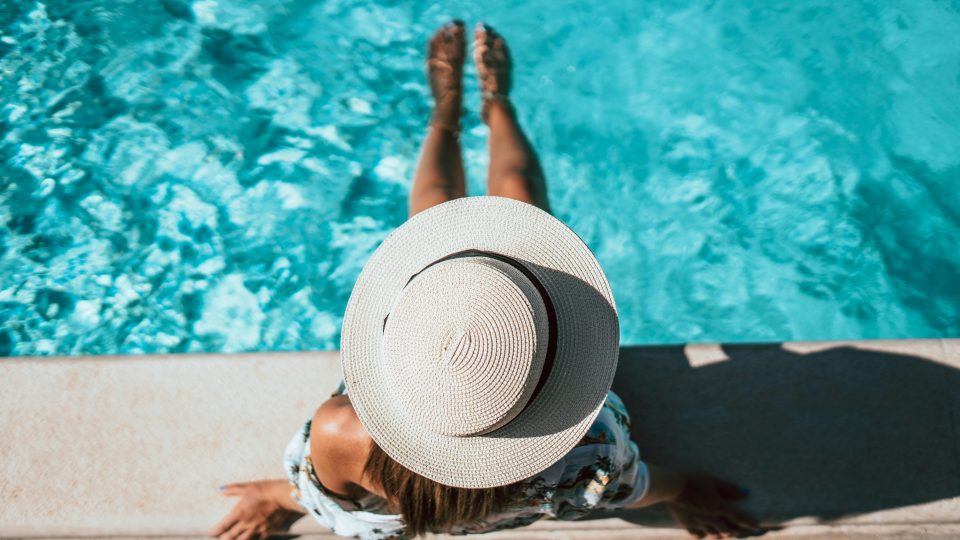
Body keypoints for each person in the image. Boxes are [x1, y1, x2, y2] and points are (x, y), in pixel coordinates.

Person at [210, 21, 760, 540]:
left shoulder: (341, 432)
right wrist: (684, 488)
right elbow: (630, 488)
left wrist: (276, 497)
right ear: (558, 372)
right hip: (524, 431)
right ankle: (499, 104)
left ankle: (445, 112)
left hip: (424, 400)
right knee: (518, 191)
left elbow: (326, 496)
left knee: (432, 211)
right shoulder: (588, 444)